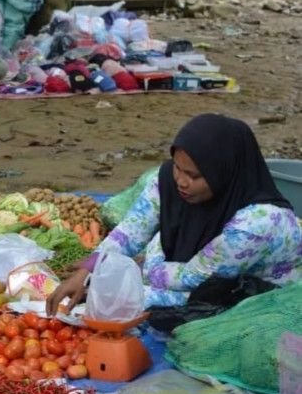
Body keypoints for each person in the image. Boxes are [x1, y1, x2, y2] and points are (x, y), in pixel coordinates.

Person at [48, 114, 301, 314]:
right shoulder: (168, 180)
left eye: (194, 176)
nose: (181, 181)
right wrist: (88, 272)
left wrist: (130, 281)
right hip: (198, 273)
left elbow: (196, 279)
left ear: (224, 174)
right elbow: (129, 233)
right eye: (178, 168)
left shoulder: (257, 223)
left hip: (254, 296)